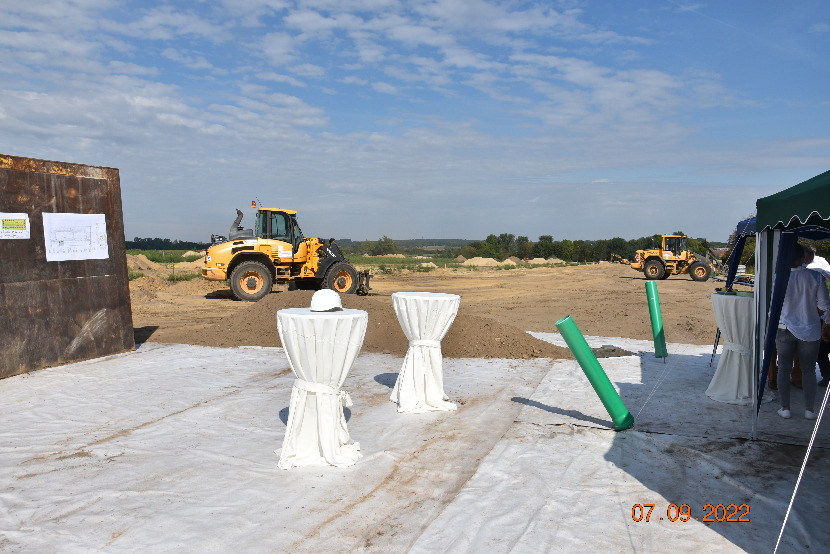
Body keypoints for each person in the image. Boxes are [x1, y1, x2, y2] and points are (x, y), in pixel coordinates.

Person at [775, 243, 830, 420]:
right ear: (803, 257)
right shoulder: (816, 276)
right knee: (808, 370)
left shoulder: (779, 277)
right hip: (809, 329)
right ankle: (809, 410)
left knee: (783, 369)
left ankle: (785, 408)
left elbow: (773, 306)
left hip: (784, 327)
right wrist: (815, 315)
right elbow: (824, 306)